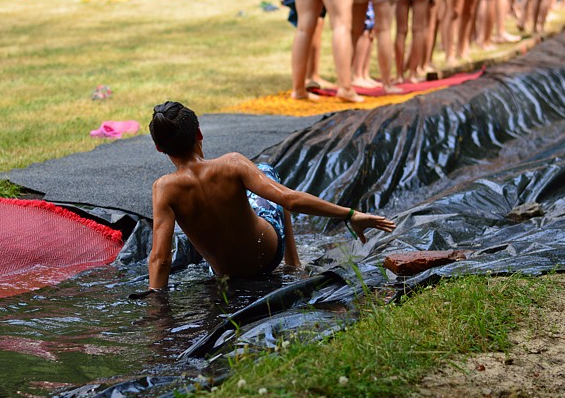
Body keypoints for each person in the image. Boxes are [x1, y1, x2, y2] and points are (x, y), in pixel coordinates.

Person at [144, 101, 396, 291]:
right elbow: (290, 199)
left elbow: (160, 258)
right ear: (199, 134)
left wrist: (158, 313)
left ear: (158, 148)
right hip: (268, 256)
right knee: (264, 170)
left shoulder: (164, 188)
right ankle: (293, 262)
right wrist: (350, 214)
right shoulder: (232, 163)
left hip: (224, 274)